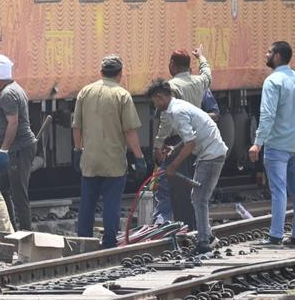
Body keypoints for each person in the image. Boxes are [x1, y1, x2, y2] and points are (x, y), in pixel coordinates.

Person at [72, 54, 145, 249]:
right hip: (113, 161)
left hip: (90, 160)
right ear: (120, 74)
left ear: (101, 72)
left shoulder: (85, 92)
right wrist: (139, 158)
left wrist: (77, 150)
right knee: (111, 204)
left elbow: (76, 126)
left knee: (87, 203)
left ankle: (84, 242)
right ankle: (109, 243)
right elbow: (129, 131)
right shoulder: (122, 95)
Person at [147, 79, 227, 254]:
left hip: (211, 154)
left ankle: (204, 242)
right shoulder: (174, 108)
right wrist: (172, 148)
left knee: (199, 199)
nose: (154, 105)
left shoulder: (177, 111)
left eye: (154, 101)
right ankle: (208, 236)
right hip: (210, 152)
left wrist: (173, 166)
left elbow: (190, 144)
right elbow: (188, 136)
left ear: (159, 97)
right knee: (198, 198)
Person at [152, 47, 214, 225]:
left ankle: (185, 227)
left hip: (176, 143)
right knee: (191, 185)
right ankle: (195, 227)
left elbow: (166, 117)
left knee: (177, 189)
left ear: (172, 65)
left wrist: (158, 144)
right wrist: (201, 57)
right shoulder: (199, 82)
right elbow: (207, 74)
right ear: (188, 66)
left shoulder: (171, 87)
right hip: (196, 141)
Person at [248, 41, 295, 245]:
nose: (266, 54)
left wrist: (258, 143)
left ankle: (276, 235)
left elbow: (267, 114)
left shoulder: (273, 81)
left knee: (279, 190)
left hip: (277, 145)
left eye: (268, 52)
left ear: (277, 56)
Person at [0, 54, 36, 231]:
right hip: (16, 149)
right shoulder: (13, 88)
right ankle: (11, 230)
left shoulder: (8, 94)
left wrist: (4, 151)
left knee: (18, 193)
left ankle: (25, 232)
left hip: (18, 150)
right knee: (2, 189)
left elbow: (13, 123)